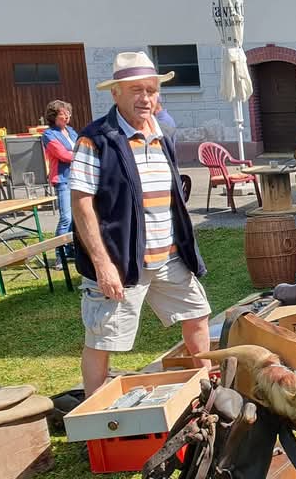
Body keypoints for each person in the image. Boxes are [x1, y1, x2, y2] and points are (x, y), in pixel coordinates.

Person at [71, 51, 211, 396]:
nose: (145, 98)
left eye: (151, 90)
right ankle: (93, 413)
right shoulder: (96, 139)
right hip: (122, 261)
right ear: (115, 93)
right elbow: (82, 204)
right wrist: (103, 265)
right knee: (102, 340)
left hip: (169, 255)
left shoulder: (162, 133)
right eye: (136, 90)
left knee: (197, 315)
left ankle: (208, 390)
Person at [41, 100, 76, 269]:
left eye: (68, 113)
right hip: (63, 179)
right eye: (63, 114)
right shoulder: (49, 134)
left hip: (76, 177)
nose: (66, 116)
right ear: (54, 116)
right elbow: (63, 155)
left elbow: (83, 147)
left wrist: (76, 152)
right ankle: (59, 256)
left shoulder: (71, 131)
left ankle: (71, 250)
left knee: (76, 218)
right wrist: (78, 154)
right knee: (66, 218)